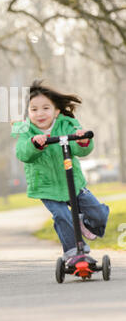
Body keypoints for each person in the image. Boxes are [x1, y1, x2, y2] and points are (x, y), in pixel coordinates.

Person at [12, 80, 109, 261]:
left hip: (73, 182)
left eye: (45, 108)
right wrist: (34, 144)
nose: (40, 113)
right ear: (28, 113)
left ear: (56, 110)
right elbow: (22, 153)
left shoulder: (68, 124)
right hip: (46, 187)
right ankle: (73, 253)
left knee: (98, 213)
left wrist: (81, 140)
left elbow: (82, 150)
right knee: (62, 215)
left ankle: (84, 223)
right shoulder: (26, 130)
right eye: (34, 109)